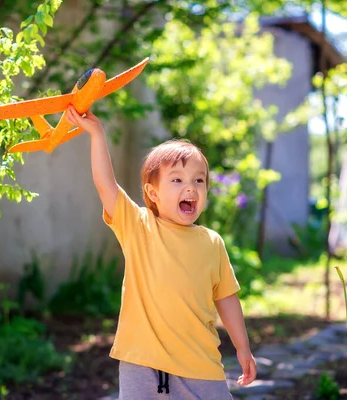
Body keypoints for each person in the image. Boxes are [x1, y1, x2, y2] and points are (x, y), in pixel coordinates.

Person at [66, 105, 257, 399]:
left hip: (201, 366)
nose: (190, 187)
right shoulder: (138, 226)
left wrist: (243, 347)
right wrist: (97, 135)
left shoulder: (212, 242)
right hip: (141, 364)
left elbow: (226, 298)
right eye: (177, 180)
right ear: (153, 193)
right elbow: (106, 186)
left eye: (198, 180)